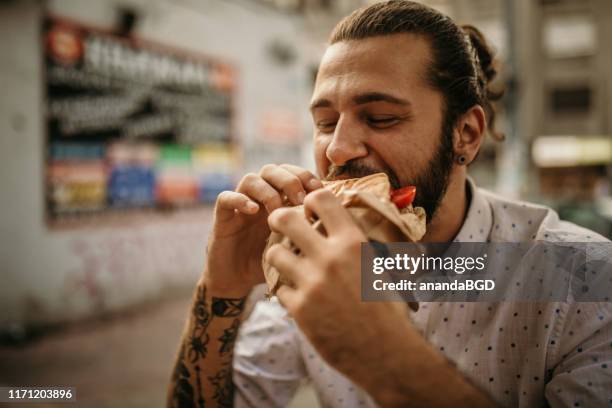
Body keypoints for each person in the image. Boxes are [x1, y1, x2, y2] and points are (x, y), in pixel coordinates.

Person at [167, 1, 612, 407]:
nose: (338, 149)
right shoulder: (314, 262)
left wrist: (385, 358)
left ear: (467, 135)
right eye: (325, 123)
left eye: (381, 118)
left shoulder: (587, 279)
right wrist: (220, 287)